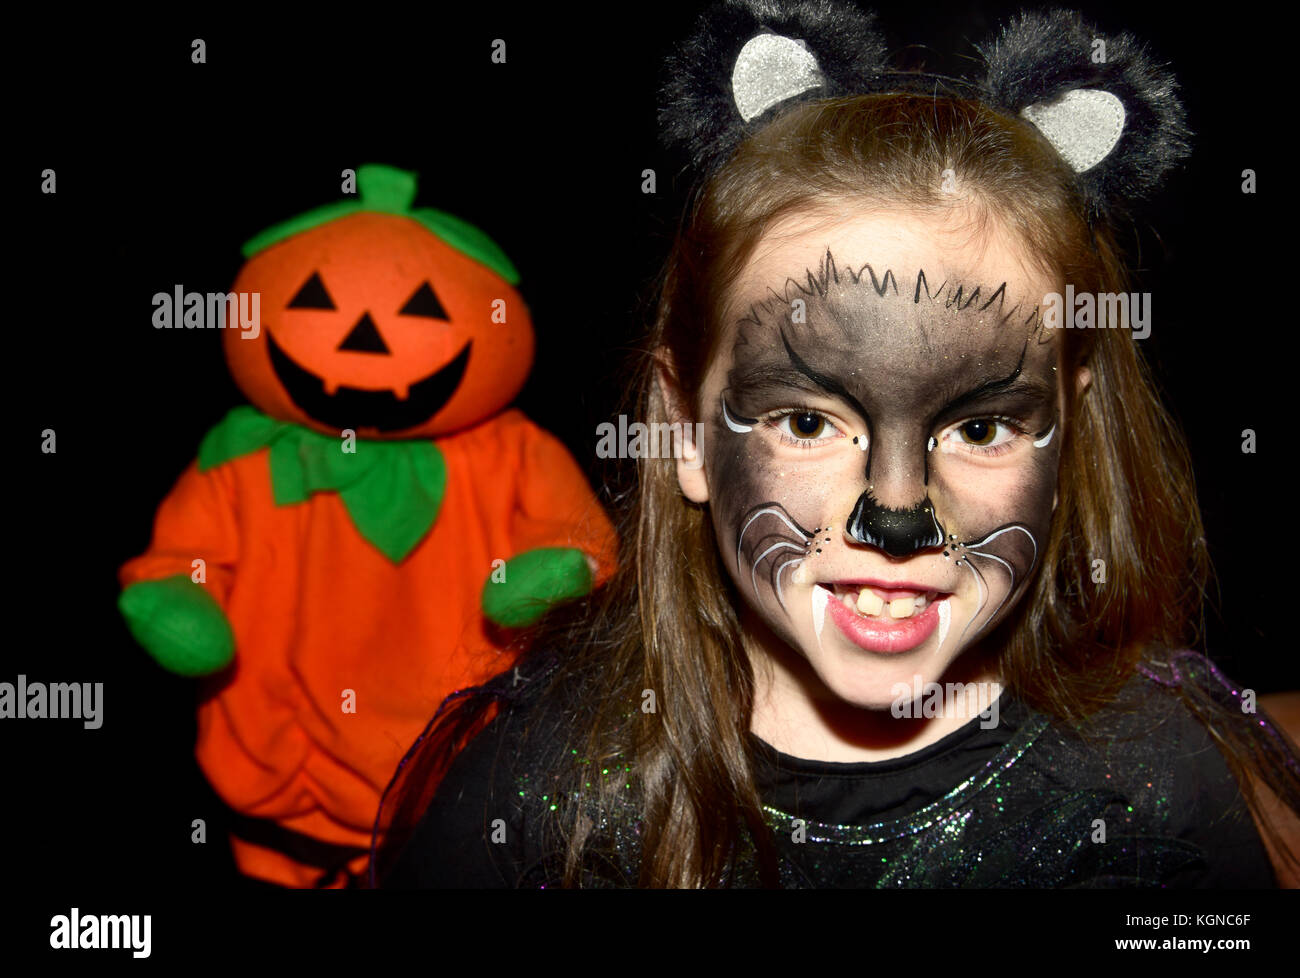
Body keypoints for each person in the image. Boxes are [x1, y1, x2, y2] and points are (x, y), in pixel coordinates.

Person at [370, 1, 1300, 888]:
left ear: (1068, 432)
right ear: (685, 429)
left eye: (980, 429)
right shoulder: (537, 802)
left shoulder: (1155, 795)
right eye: (809, 422)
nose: (898, 515)